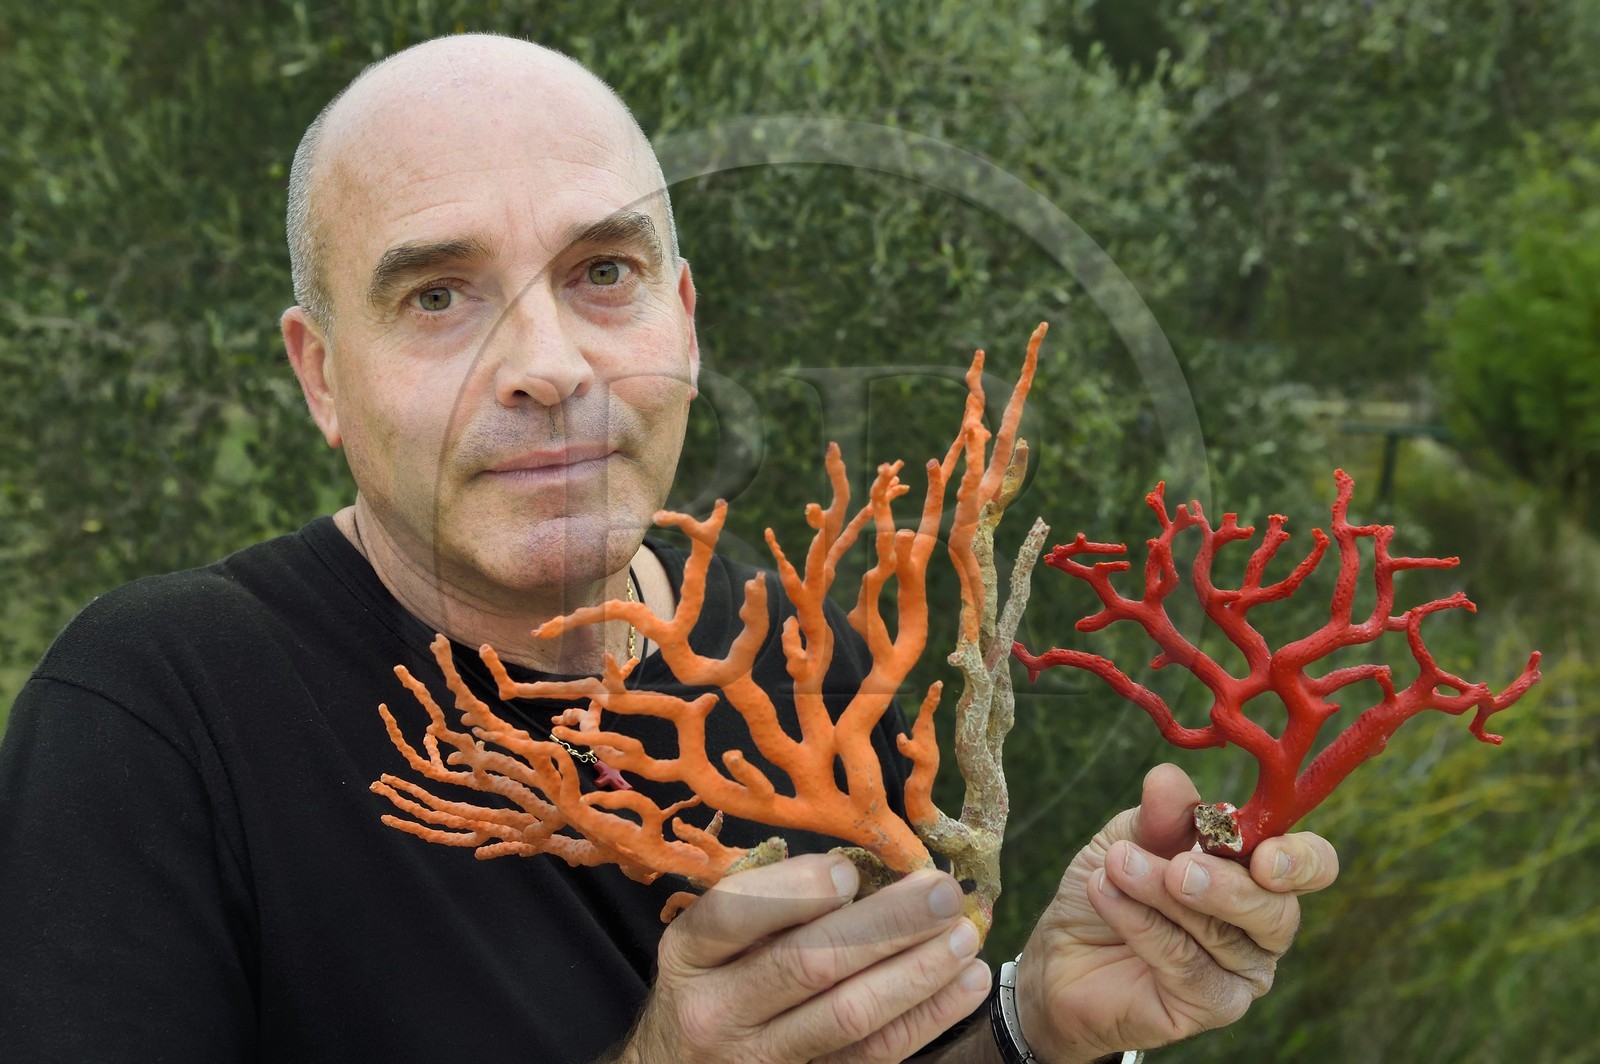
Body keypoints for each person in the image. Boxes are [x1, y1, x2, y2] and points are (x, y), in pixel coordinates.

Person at [0, 33, 1337, 1064]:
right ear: (321, 377)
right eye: (437, 295)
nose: (545, 366)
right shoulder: (158, 711)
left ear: (684, 322)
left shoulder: (820, 676)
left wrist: (1031, 1024)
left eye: (603, 274)